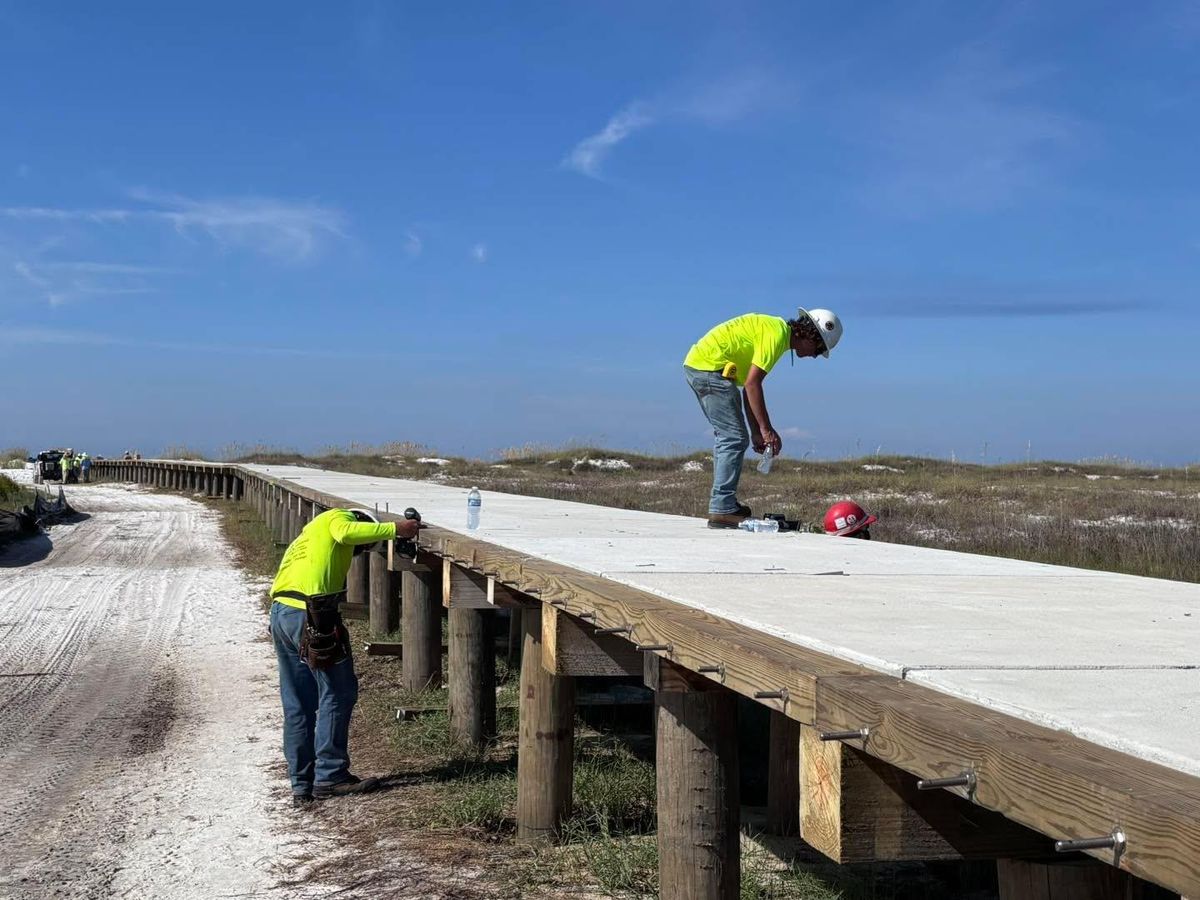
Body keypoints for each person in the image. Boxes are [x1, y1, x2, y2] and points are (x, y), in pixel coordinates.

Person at [269, 507, 422, 807]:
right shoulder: (338, 518)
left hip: (281, 612)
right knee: (338, 692)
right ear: (361, 519)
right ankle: (330, 774)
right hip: (311, 614)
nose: (356, 552)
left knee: (298, 702)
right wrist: (396, 529)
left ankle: (301, 784)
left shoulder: (307, 536)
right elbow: (346, 532)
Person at [684, 308, 842, 528]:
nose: (815, 356)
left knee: (731, 437)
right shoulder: (776, 335)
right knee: (733, 438)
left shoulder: (775, 332)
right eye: (819, 349)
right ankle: (722, 508)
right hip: (709, 369)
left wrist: (757, 432)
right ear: (810, 335)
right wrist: (767, 430)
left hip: (704, 366)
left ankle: (724, 504)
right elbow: (752, 385)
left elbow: (748, 389)